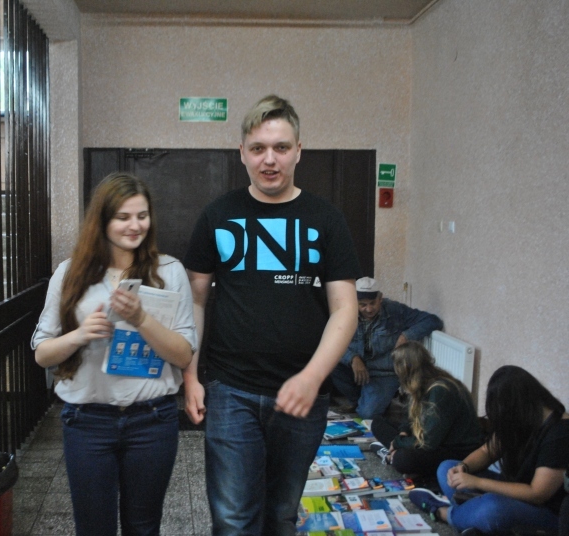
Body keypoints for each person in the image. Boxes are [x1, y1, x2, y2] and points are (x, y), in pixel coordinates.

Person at [182, 94, 361, 535]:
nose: (269, 159)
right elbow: (194, 303)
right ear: (241, 152)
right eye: (258, 148)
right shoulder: (218, 216)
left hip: (303, 396)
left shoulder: (326, 219)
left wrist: (312, 377)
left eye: (281, 147)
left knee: (280, 515)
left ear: (299, 151)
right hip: (230, 390)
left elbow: (345, 310)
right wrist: (191, 377)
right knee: (233, 519)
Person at [31, 172, 197, 536]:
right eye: (123, 217)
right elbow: (42, 354)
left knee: (143, 527)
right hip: (87, 422)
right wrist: (80, 335)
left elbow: (184, 355)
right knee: (94, 528)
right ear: (102, 220)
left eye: (142, 216)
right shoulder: (70, 273)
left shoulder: (169, 271)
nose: (135, 226)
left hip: (152, 420)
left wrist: (141, 319)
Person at [409, 366, 569, 533]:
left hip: (546, 512)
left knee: (492, 509)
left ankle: (444, 513)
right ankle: (472, 517)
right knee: (446, 468)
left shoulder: (561, 432)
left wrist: (477, 482)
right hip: (513, 490)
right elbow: (487, 452)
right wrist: (464, 467)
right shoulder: (525, 418)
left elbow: (537, 494)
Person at [330, 276, 443, 419]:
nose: (369, 309)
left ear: (380, 298)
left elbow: (432, 320)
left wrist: (406, 336)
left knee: (367, 414)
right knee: (329, 363)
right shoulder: (345, 312)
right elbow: (333, 341)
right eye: (363, 305)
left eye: (373, 303)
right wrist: (353, 358)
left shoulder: (395, 310)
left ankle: (372, 400)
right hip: (358, 367)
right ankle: (359, 401)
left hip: (384, 372)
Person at [370, 341, 483, 477]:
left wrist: (398, 443)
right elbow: (409, 417)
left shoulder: (441, 390)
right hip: (432, 439)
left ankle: (393, 455)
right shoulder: (423, 382)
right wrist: (403, 434)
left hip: (454, 450)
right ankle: (393, 453)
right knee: (378, 423)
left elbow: (428, 442)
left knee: (403, 459)